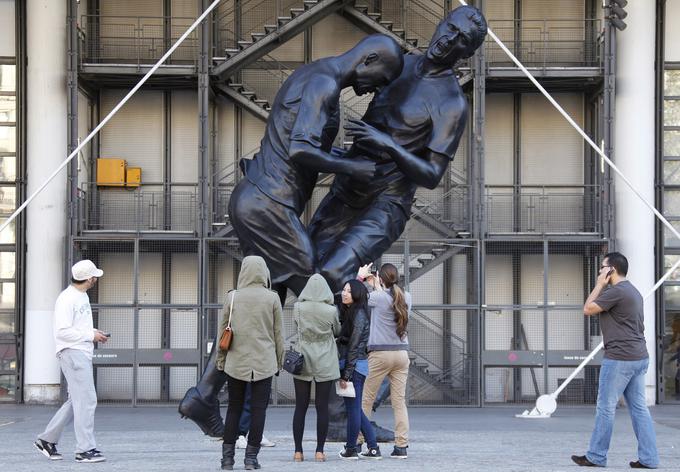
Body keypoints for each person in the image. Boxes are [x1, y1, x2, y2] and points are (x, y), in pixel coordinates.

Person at [178, 34, 404, 438]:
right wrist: (353, 169)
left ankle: (206, 395)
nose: (376, 88)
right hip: (269, 206)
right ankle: (337, 412)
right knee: (325, 293)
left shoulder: (314, 76)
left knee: (259, 305)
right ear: (368, 58)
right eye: (381, 77)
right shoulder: (323, 83)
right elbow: (301, 149)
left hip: (261, 202)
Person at [308, 5, 488, 293]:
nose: (448, 39)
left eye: (461, 39)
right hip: (349, 184)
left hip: (387, 202)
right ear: (440, 24)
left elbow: (431, 175)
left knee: (333, 271)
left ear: (467, 52)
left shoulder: (452, 104)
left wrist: (387, 144)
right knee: (307, 265)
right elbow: (349, 77)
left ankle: (355, 335)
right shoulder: (400, 63)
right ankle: (333, 336)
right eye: (449, 28)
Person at [571, 252, 659, 469]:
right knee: (639, 409)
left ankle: (596, 456)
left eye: (602, 268)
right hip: (638, 357)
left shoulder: (616, 292)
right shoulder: (633, 291)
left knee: (605, 408)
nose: (600, 271)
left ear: (611, 270)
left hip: (620, 359)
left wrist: (599, 285)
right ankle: (649, 459)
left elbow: (588, 309)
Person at [34, 260, 108, 463]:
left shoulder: (79, 295)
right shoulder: (68, 299)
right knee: (87, 400)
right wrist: (90, 335)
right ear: (88, 278)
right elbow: (63, 332)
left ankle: (46, 440)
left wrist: (92, 333)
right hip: (73, 353)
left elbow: (75, 328)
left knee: (76, 401)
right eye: (94, 277)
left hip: (78, 352)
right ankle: (85, 450)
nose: (95, 279)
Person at [216, 256, 284, 471]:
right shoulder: (272, 298)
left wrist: (221, 360)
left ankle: (227, 460)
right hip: (264, 362)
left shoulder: (232, 297)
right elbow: (278, 335)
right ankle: (251, 458)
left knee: (234, 409)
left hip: (236, 362)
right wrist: (279, 362)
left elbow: (222, 332)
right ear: (264, 272)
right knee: (258, 410)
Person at [358, 263, 411, 459]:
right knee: (399, 402)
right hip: (402, 355)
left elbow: (356, 297)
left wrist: (361, 278)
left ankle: (358, 442)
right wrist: (377, 285)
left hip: (380, 354)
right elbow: (389, 299)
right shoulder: (406, 297)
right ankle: (401, 447)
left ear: (380, 277)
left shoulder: (377, 298)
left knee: (366, 400)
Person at [290, 274, 341, 462]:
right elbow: (336, 331)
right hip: (325, 359)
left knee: (300, 407)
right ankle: (319, 451)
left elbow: (297, 327)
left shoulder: (298, 308)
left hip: (302, 359)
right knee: (322, 407)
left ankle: (298, 451)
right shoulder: (331, 310)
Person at [337, 279, 381, 460]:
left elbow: (354, 347)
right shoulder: (352, 312)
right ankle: (372, 448)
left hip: (354, 367)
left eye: (348, 291)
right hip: (354, 365)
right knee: (355, 409)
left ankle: (351, 448)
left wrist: (346, 375)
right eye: (344, 290)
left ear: (356, 294)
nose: (343, 293)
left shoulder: (359, 315)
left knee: (353, 410)